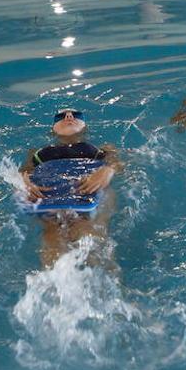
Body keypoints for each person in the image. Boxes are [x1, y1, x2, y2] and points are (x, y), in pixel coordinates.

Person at [19, 109, 122, 268]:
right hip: (51, 200)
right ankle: (56, 280)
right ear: (53, 129)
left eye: (76, 115)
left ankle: (107, 278)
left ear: (85, 126)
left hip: (89, 195)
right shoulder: (37, 153)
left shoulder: (102, 149)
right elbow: (25, 172)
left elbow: (118, 164)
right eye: (61, 116)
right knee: (52, 233)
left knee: (88, 230)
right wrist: (25, 181)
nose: (69, 116)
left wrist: (108, 170)